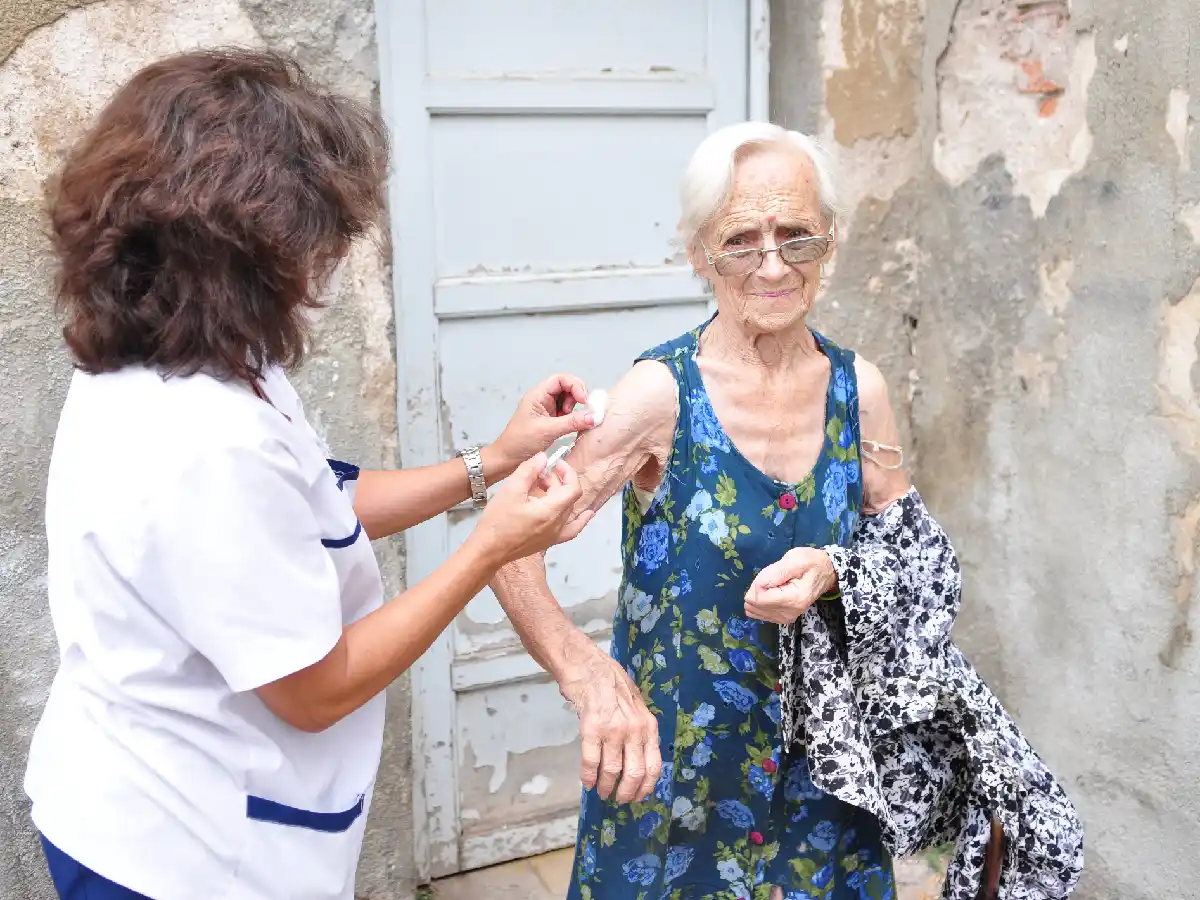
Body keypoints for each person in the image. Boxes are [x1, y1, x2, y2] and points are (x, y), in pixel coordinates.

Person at [24, 49, 596, 900]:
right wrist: (489, 548)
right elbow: (315, 689)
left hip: (156, 787)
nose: (320, 274)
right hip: (180, 851)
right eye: (310, 246)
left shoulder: (184, 348)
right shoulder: (198, 442)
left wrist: (493, 460)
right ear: (237, 252)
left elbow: (319, 500)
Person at [491, 122, 1083, 900]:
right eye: (742, 240)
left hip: (827, 776)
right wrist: (586, 675)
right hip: (679, 770)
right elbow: (507, 545)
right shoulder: (660, 395)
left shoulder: (856, 389)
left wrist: (836, 569)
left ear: (828, 244)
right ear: (701, 252)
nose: (773, 266)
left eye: (797, 237)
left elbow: (922, 567)